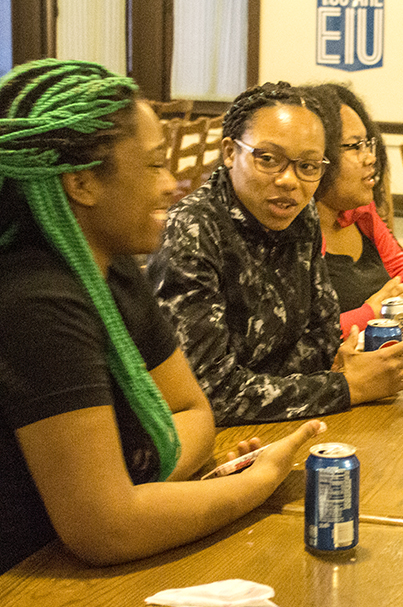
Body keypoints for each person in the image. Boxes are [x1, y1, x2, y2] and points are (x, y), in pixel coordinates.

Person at [0, 59, 324, 573]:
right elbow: (106, 529)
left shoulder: (114, 267)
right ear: (82, 183)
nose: (173, 183)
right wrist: (257, 482)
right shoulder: (34, 301)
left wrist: (141, 492)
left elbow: (196, 412)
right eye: (153, 165)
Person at [147, 82, 403, 428]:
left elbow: (321, 337)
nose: (289, 181)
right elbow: (209, 394)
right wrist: (346, 385)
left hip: (276, 426)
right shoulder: (192, 232)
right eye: (269, 160)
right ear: (230, 152)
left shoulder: (300, 216)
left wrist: (327, 372)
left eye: (308, 166)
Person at [302, 83, 403, 336]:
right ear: (317, 155)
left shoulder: (360, 214)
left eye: (368, 144)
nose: (370, 158)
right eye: (354, 147)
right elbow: (297, 339)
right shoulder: (291, 231)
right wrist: (372, 313)